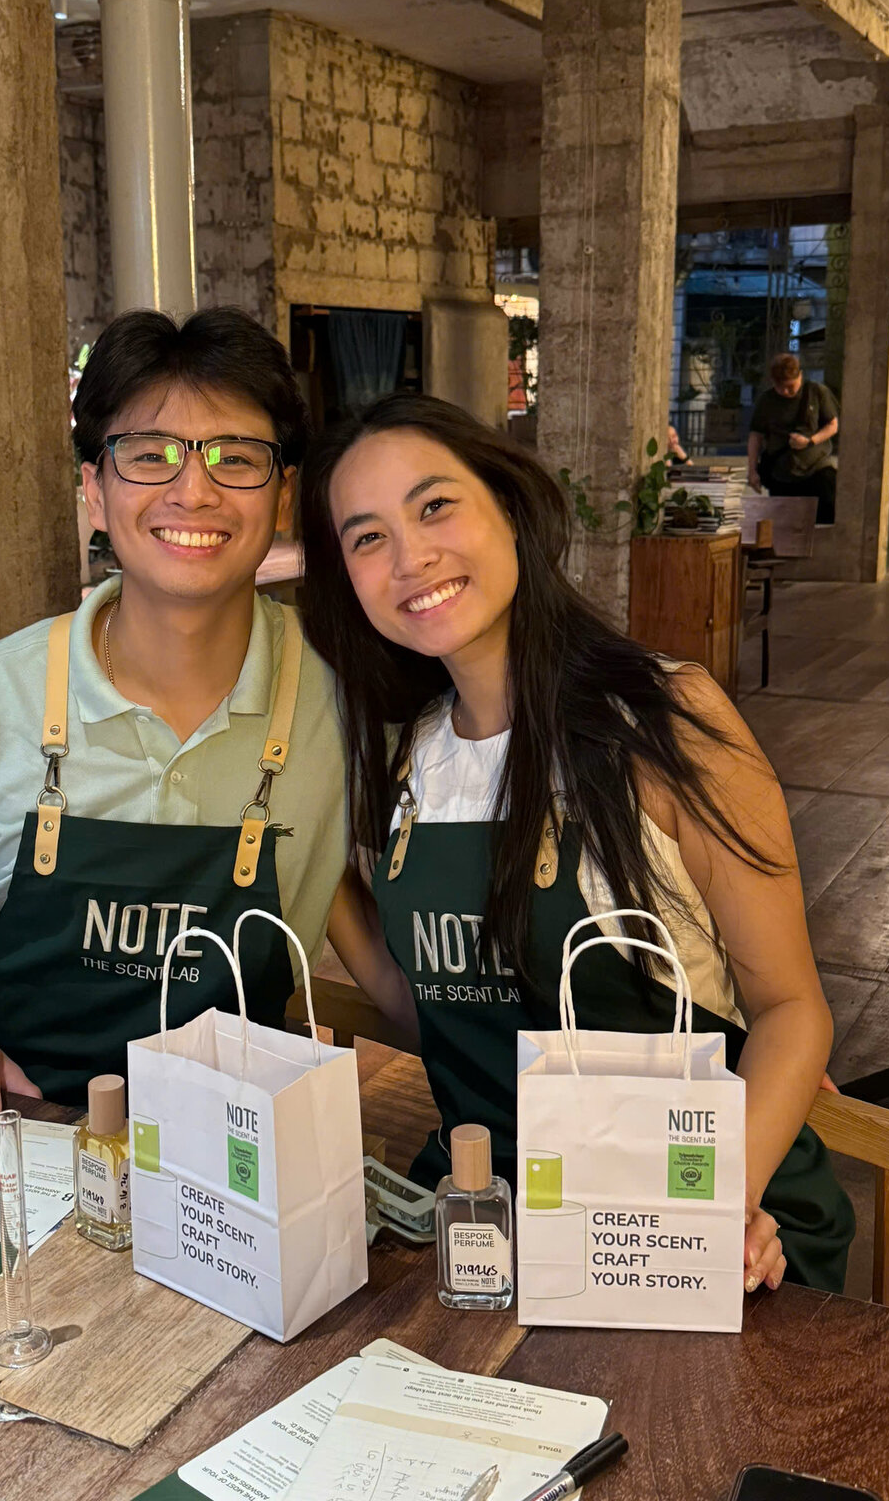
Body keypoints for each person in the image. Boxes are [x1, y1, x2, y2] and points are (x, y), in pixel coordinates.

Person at [299, 393, 854, 1296]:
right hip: (495, 1219)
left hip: (687, 1227)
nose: (410, 557)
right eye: (366, 538)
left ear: (510, 510)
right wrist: (309, 850)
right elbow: (437, 1010)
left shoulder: (666, 720)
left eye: (435, 506)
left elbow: (794, 1010)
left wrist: (716, 1200)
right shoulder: (412, 758)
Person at [0, 307, 349, 1138]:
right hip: (18, 1128)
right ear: (94, 488)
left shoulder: (344, 700)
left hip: (240, 1162)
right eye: (149, 455)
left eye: (237, 457)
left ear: (284, 496)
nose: (193, 489)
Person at [748, 354, 838, 524]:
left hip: (815, 469)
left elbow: (832, 425)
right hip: (782, 473)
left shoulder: (816, 392)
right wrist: (752, 470)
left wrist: (810, 440)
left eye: (790, 386)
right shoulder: (766, 401)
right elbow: (756, 435)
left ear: (800, 376)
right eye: (779, 387)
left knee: (827, 514)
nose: (785, 391)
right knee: (785, 526)